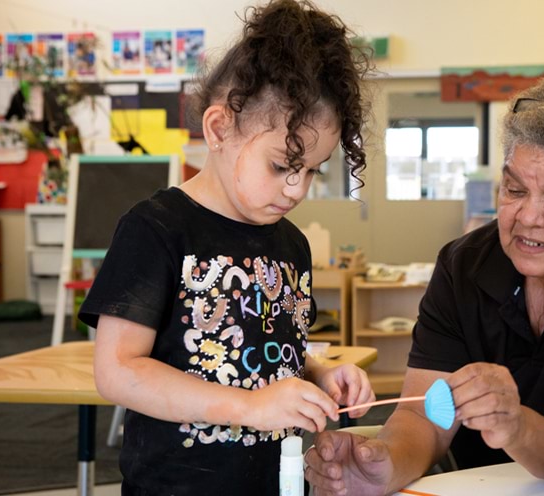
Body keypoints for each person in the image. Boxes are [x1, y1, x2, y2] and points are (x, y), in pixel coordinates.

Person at [305, 76, 544, 495]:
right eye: (514, 190)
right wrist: (383, 465)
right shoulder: (464, 266)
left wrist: (514, 423)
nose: (528, 217)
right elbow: (424, 417)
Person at [80, 1, 374, 494]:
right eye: (282, 166)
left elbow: (270, 354)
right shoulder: (155, 229)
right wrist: (248, 407)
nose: (297, 189)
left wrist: (318, 374)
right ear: (219, 129)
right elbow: (117, 371)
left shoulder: (292, 245)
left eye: (313, 170)